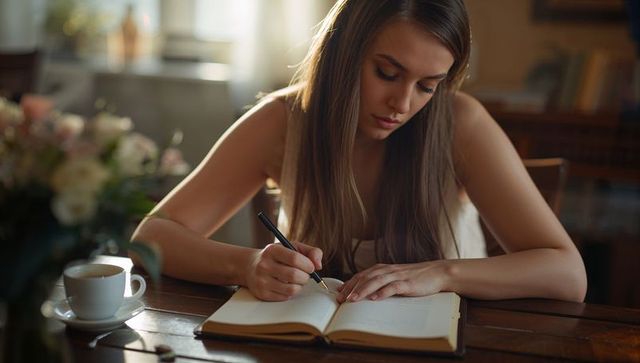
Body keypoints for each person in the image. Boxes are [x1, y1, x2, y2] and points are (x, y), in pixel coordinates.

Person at [131, 0, 587, 303]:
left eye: (428, 86)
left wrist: (444, 273)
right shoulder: (284, 120)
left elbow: (568, 275)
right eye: (387, 73)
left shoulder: (459, 124)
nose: (403, 105)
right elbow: (151, 238)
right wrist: (248, 264)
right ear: (344, 53)